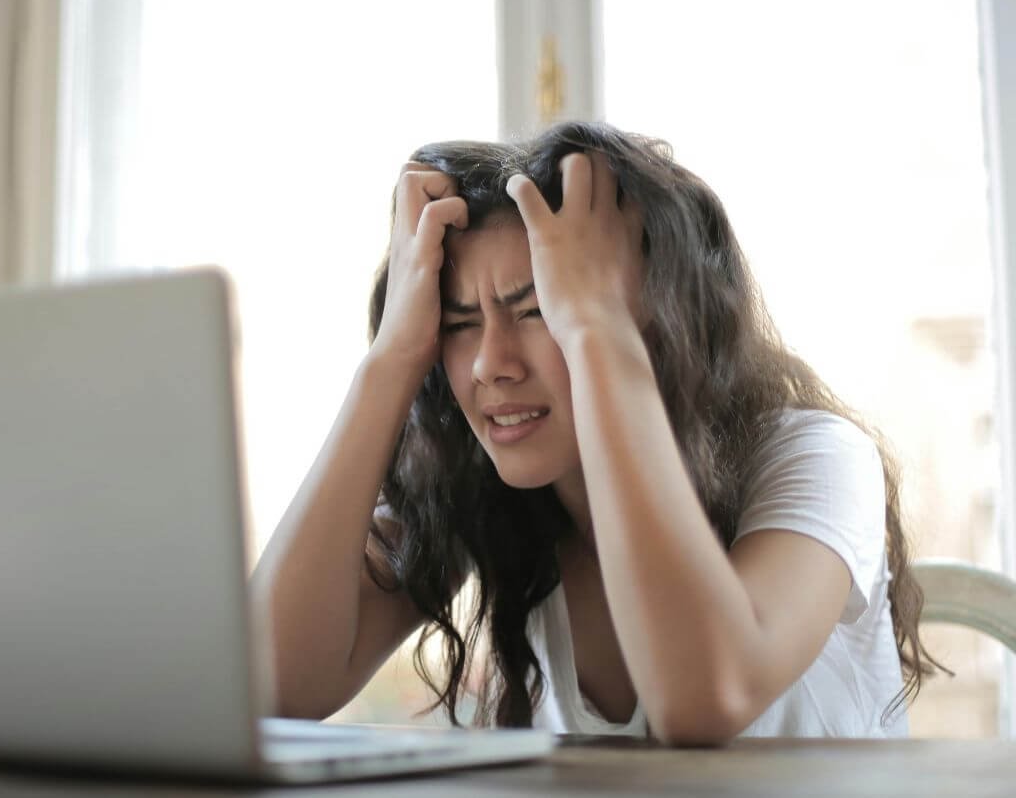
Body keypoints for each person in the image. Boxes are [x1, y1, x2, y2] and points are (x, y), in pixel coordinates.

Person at [250, 120, 939, 744]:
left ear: (658, 317)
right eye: (458, 324)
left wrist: (597, 332)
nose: (491, 364)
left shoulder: (817, 456)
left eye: (541, 309)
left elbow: (705, 698)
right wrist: (391, 359)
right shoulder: (489, 492)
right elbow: (270, 685)